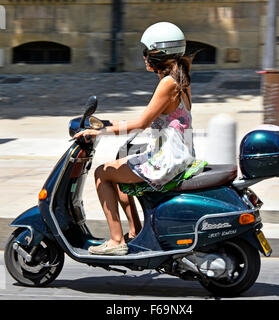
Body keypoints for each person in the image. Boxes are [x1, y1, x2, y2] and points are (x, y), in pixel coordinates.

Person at [74, 22, 196, 255]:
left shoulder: (168, 83)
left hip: (167, 158)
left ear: (160, 52)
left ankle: (116, 240)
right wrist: (110, 125)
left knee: (102, 173)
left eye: (147, 52)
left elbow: (142, 123)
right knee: (122, 163)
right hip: (178, 152)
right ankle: (135, 233)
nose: (144, 57)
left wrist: (100, 132)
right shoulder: (182, 78)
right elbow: (160, 119)